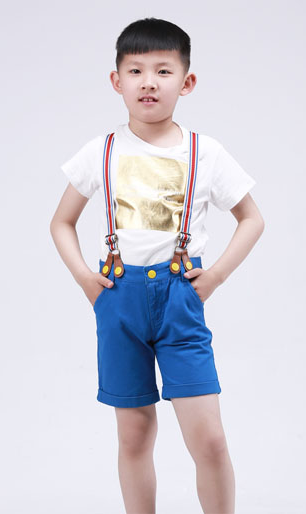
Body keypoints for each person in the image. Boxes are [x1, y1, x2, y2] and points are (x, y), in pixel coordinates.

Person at [49, 17, 264, 514]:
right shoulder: (101, 151)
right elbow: (61, 222)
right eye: (136, 70)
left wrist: (214, 277)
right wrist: (86, 280)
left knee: (209, 439)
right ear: (117, 80)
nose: (149, 81)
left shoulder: (204, 152)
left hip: (179, 302)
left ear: (186, 82)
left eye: (163, 71)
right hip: (118, 301)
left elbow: (252, 218)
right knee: (134, 434)